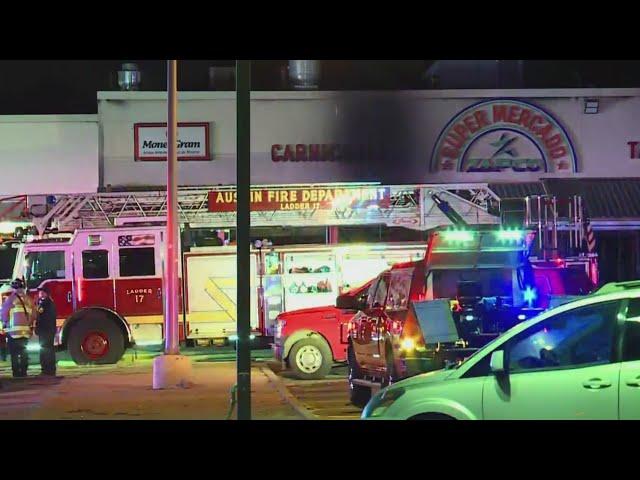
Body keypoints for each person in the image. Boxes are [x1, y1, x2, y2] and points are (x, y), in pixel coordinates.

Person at [0, 278, 35, 378]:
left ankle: (16, 373)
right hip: (25, 332)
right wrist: (28, 324)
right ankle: (24, 372)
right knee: (24, 352)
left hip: (14, 333)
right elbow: (34, 315)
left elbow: (3, 313)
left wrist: (6, 323)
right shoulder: (29, 299)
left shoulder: (11, 299)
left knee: (14, 354)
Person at [35, 286, 57, 376]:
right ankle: (50, 369)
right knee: (49, 349)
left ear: (46, 293)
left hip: (45, 331)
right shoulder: (49, 303)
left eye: (41, 292)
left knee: (45, 350)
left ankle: (46, 370)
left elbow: (40, 316)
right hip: (48, 330)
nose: (39, 294)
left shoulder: (45, 304)